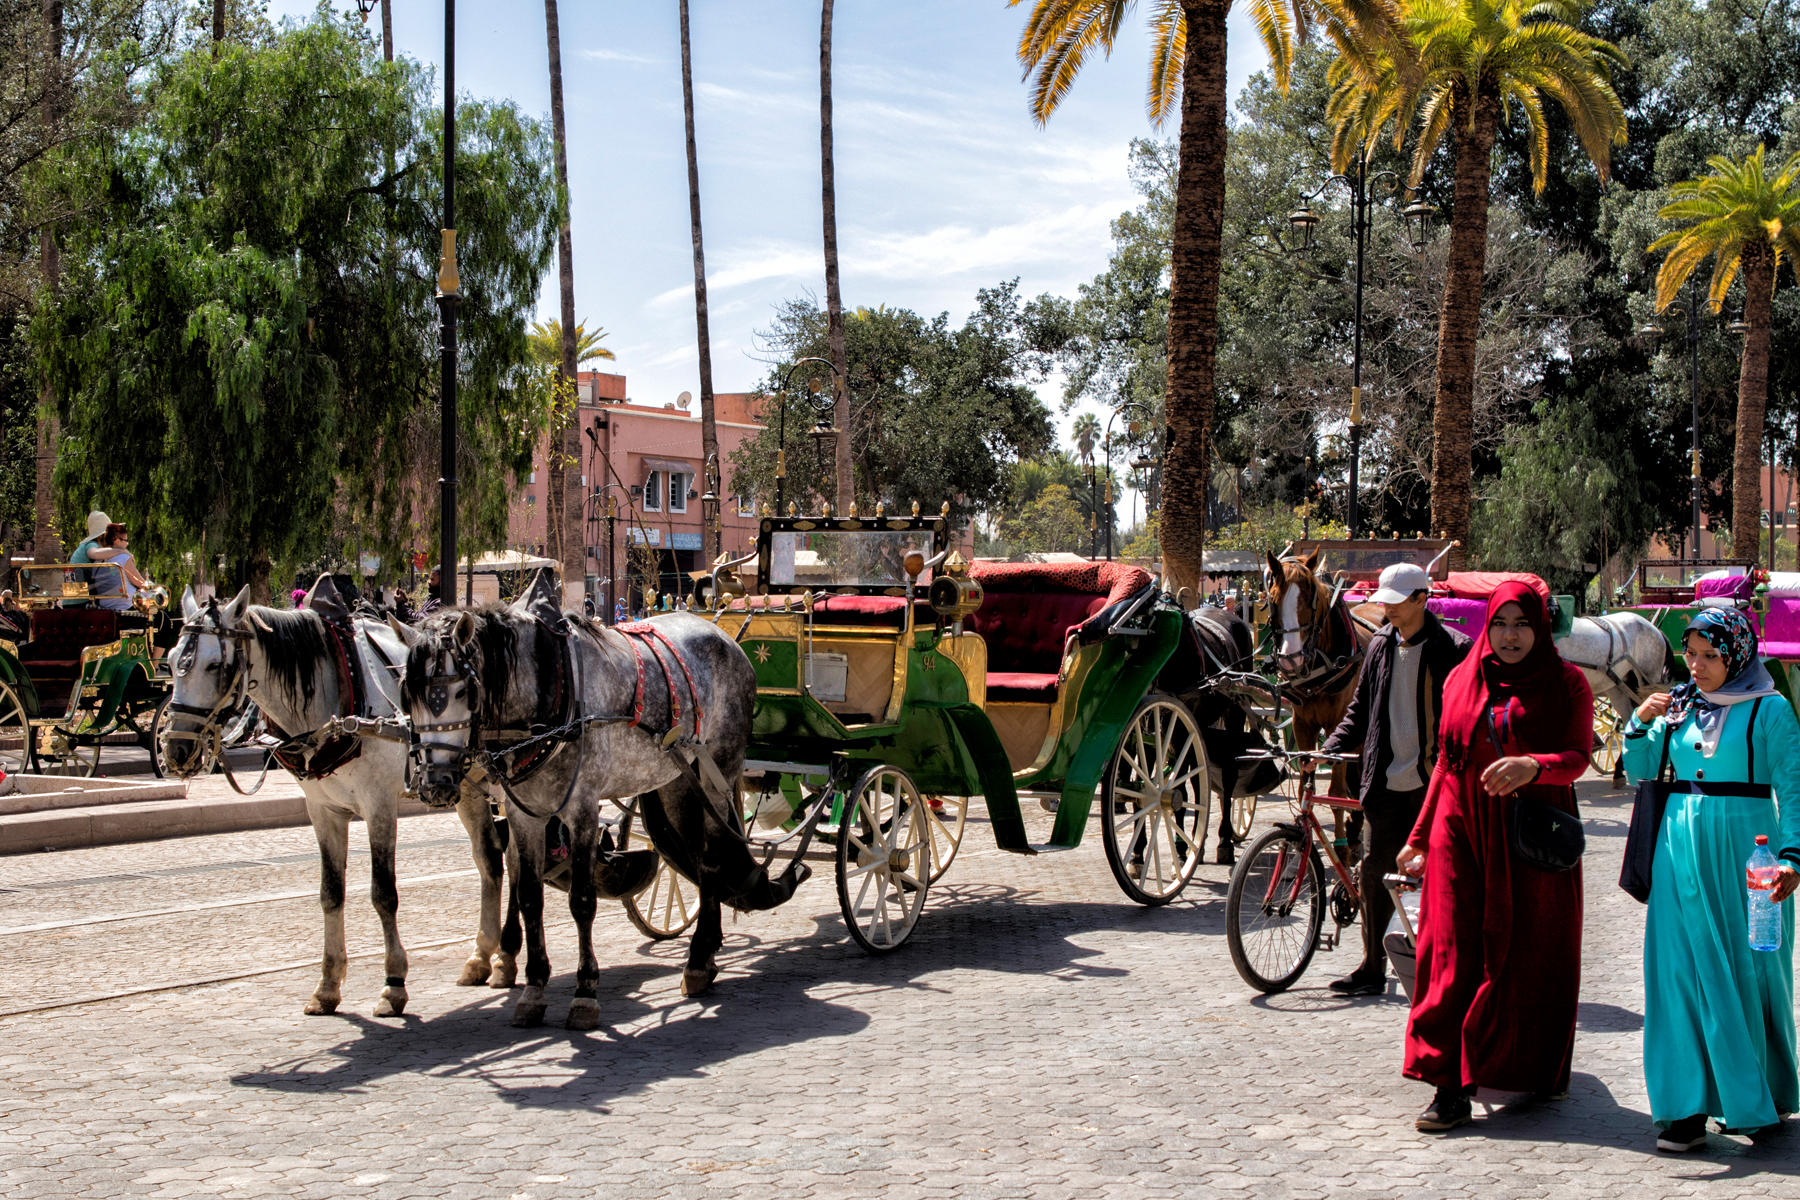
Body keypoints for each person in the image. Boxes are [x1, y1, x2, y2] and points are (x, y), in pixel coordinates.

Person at [1397, 582, 1592, 1132]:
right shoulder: (1461, 678)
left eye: (1522, 624)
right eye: (1501, 622)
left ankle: (1529, 1065)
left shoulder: (1567, 684)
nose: (1510, 635)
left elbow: (1578, 757)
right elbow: (1445, 761)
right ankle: (1448, 1086)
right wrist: (1418, 834)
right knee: (1450, 952)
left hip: (1531, 839)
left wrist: (1535, 765)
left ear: (1540, 627)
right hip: (1459, 832)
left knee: (1525, 956)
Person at [1622, 607, 1800, 1152]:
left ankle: (1752, 1100)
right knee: (1675, 972)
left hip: (1751, 858)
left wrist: (1794, 859)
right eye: (1690, 655)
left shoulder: (1772, 711)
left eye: (1709, 656)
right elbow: (1639, 770)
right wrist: (1641, 723)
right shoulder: (1677, 707)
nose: (1695, 667)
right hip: (1678, 854)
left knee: (1748, 973)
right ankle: (1683, 1110)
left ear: (1738, 654)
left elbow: (1793, 790)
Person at [1312, 562, 1471, 996]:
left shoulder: (1454, 649)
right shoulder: (1380, 645)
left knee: (1440, 880)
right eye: (1385, 602)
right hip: (1383, 783)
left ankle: (1443, 971)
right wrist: (1326, 751)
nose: (1388, 610)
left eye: (1397, 603)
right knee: (1375, 873)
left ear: (1423, 599)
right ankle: (1371, 967)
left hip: (1434, 785)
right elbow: (1360, 711)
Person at [86, 524, 152, 612]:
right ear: (116, 541)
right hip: (126, 605)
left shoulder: (97, 561)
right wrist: (153, 588)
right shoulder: (123, 558)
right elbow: (139, 582)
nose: (127, 544)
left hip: (105, 606)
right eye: (126, 540)